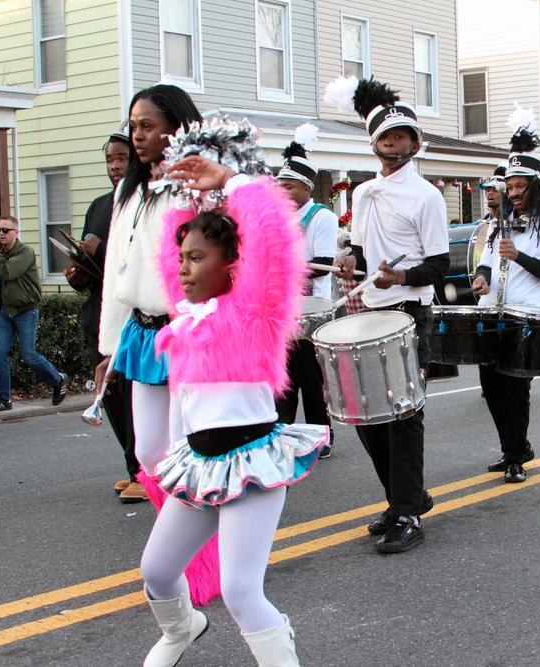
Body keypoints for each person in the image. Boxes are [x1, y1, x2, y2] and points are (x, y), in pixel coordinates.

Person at [138, 150, 326, 665]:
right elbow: (170, 260)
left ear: (234, 266)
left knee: (241, 590)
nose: (184, 268)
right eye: (182, 259)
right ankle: (181, 630)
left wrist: (234, 181)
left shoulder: (256, 314)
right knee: (156, 570)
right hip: (199, 464)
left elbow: (269, 241)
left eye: (198, 258)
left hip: (252, 462)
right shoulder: (187, 318)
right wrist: (185, 201)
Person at [95, 84, 220, 606]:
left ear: (176, 126)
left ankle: (203, 566)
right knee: (149, 453)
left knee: (186, 454)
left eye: (147, 125)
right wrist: (107, 348)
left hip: (187, 334)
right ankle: (191, 551)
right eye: (134, 125)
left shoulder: (193, 187)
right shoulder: (131, 190)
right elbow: (116, 275)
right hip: (141, 335)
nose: (137, 134)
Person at [329, 75, 449, 554]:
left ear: (415, 143)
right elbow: (359, 250)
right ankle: (407, 496)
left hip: (407, 310)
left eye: (403, 136)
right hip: (369, 310)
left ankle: (407, 513)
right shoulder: (362, 194)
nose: (395, 143)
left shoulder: (428, 196)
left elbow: (439, 266)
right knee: (366, 415)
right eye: (387, 136)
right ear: (374, 143)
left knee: (402, 416)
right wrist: (349, 263)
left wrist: (400, 279)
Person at [471, 106, 540, 483]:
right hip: (490, 312)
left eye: (518, 187)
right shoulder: (500, 222)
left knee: (515, 388)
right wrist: (482, 278)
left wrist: (520, 256)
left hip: (526, 316)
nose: (512, 193)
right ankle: (513, 447)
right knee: (491, 387)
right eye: (508, 187)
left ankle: (515, 455)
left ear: (536, 186)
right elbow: (485, 260)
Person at [64, 130, 143, 502]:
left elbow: (133, 261)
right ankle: (133, 467)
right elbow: (92, 265)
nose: (114, 166)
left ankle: (146, 471)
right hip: (99, 312)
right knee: (110, 394)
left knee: (134, 396)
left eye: (121, 158)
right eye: (109, 159)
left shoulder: (143, 201)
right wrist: (78, 273)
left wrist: (99, 252)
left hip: (134, 315)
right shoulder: (98, 205)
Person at [274, 124, 339, 458]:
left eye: (287, 186)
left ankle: (321, 435)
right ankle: (282, 433)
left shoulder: (321, 216)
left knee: (312, 380)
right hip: (281, 310)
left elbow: (323, 265)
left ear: (304, 187)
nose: (281, 192)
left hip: (312, 309)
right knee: (282, 379)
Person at [0, 215, 67, 413]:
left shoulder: (25, 252)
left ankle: (58, 380)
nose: (1, 234)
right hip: (7, 311)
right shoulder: (1, 254)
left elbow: (8, 272)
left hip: (26, 311)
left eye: (6, 230)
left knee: (28, 355)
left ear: (16, 232)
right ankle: (4, 399)